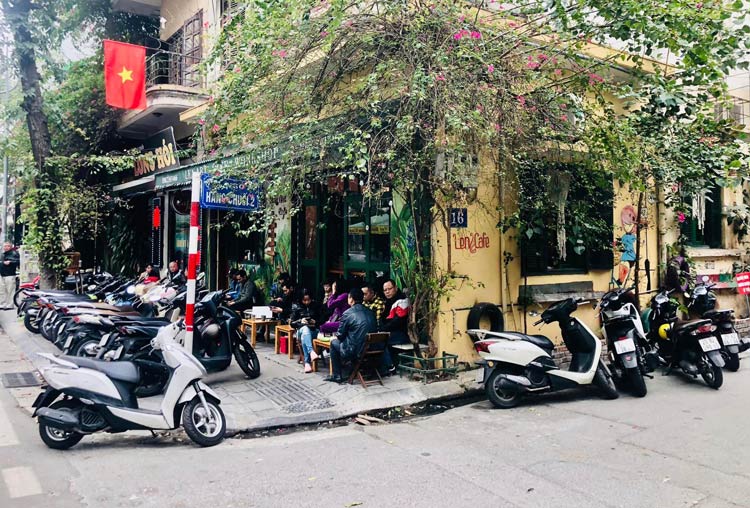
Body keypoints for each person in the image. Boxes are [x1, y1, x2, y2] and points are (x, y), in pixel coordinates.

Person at [325, 288, 377, 383]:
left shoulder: (348, 313)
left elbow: (340, 335)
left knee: (333, 342)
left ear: (351, 299)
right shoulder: (370, 312)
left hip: (355, 351)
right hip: (372, 350)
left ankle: (337, 375)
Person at [381, 279, 411, 371]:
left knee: (378, 341)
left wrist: (383, 329)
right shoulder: (388, 302)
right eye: (385, 290)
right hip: (391, 333)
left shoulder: (402, 301)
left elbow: (398, 321)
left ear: (396, 288)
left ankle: (390, 365)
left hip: (401, 334)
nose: (387, 292)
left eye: (389, 289)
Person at [289, 289, 322, 373]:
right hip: (300, 330)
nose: (307, 302)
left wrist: (315, 321)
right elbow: (292, 323)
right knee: (305, 329)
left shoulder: (316, 305)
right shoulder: (297, 307)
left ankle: (307, 363)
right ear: (301, 299)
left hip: (314, 331)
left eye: (308, 300)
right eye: (304, 300)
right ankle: (311, 352)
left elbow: (323, 320)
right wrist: (301, 321)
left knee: (305, 337)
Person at [0, 243, 19, 310]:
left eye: (8, 246)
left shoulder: (14, 253)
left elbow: (18, 262)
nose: (6, 247)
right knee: (2, 290)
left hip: (10, 274)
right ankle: (2, 304)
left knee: (10, 290)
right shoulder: (3, 254)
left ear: (11, 247)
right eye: (5, 246)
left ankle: (10, 305)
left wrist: (10, 262)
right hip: (2, 274)